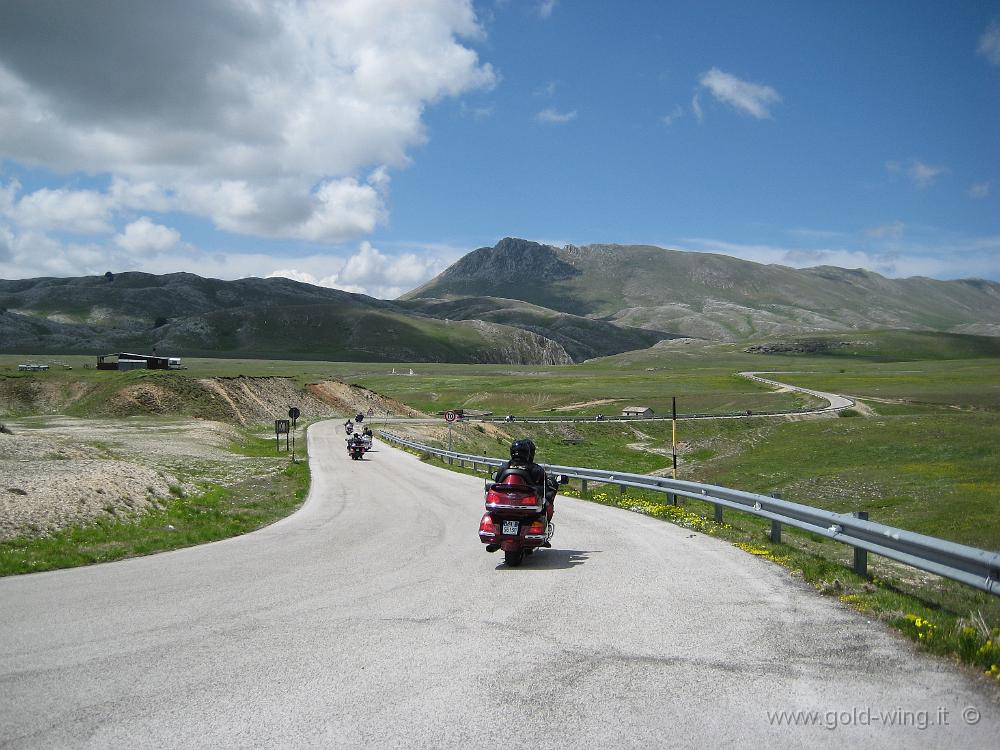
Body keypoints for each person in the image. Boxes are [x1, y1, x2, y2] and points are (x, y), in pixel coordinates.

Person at [493, 438, 557, 524]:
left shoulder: (503, 468)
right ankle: (546, 522)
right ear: (528, 452)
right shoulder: (536, 469)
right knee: (546, 499)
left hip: (506, 503)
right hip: (525, 506)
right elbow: (544, 488)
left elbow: (497, 482)